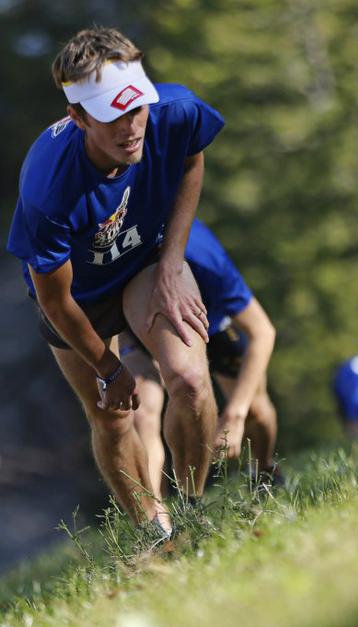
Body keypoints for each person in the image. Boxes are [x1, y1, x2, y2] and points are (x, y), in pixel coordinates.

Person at [6, 27, 225, 538]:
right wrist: (108, 368)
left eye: (137, 109)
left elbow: (191, 159)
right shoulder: (48, 189)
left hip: (145, 260)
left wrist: (171, 262)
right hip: (78, 297)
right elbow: (56, 301)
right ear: (78, 117)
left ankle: (192, 515)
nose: (131, 128)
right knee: (112, 416)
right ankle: (153, 532)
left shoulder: (175, 111)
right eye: (112, 116)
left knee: (190, 382)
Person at [119, 219, 279, 491]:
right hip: (141, 326)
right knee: (142, 414)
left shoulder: (204, 258)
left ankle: (265, 473)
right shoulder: (112, 253)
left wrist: (235, 414)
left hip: (211, 326)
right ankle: (156, 511)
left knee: (255, 409)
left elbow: (263, 332)